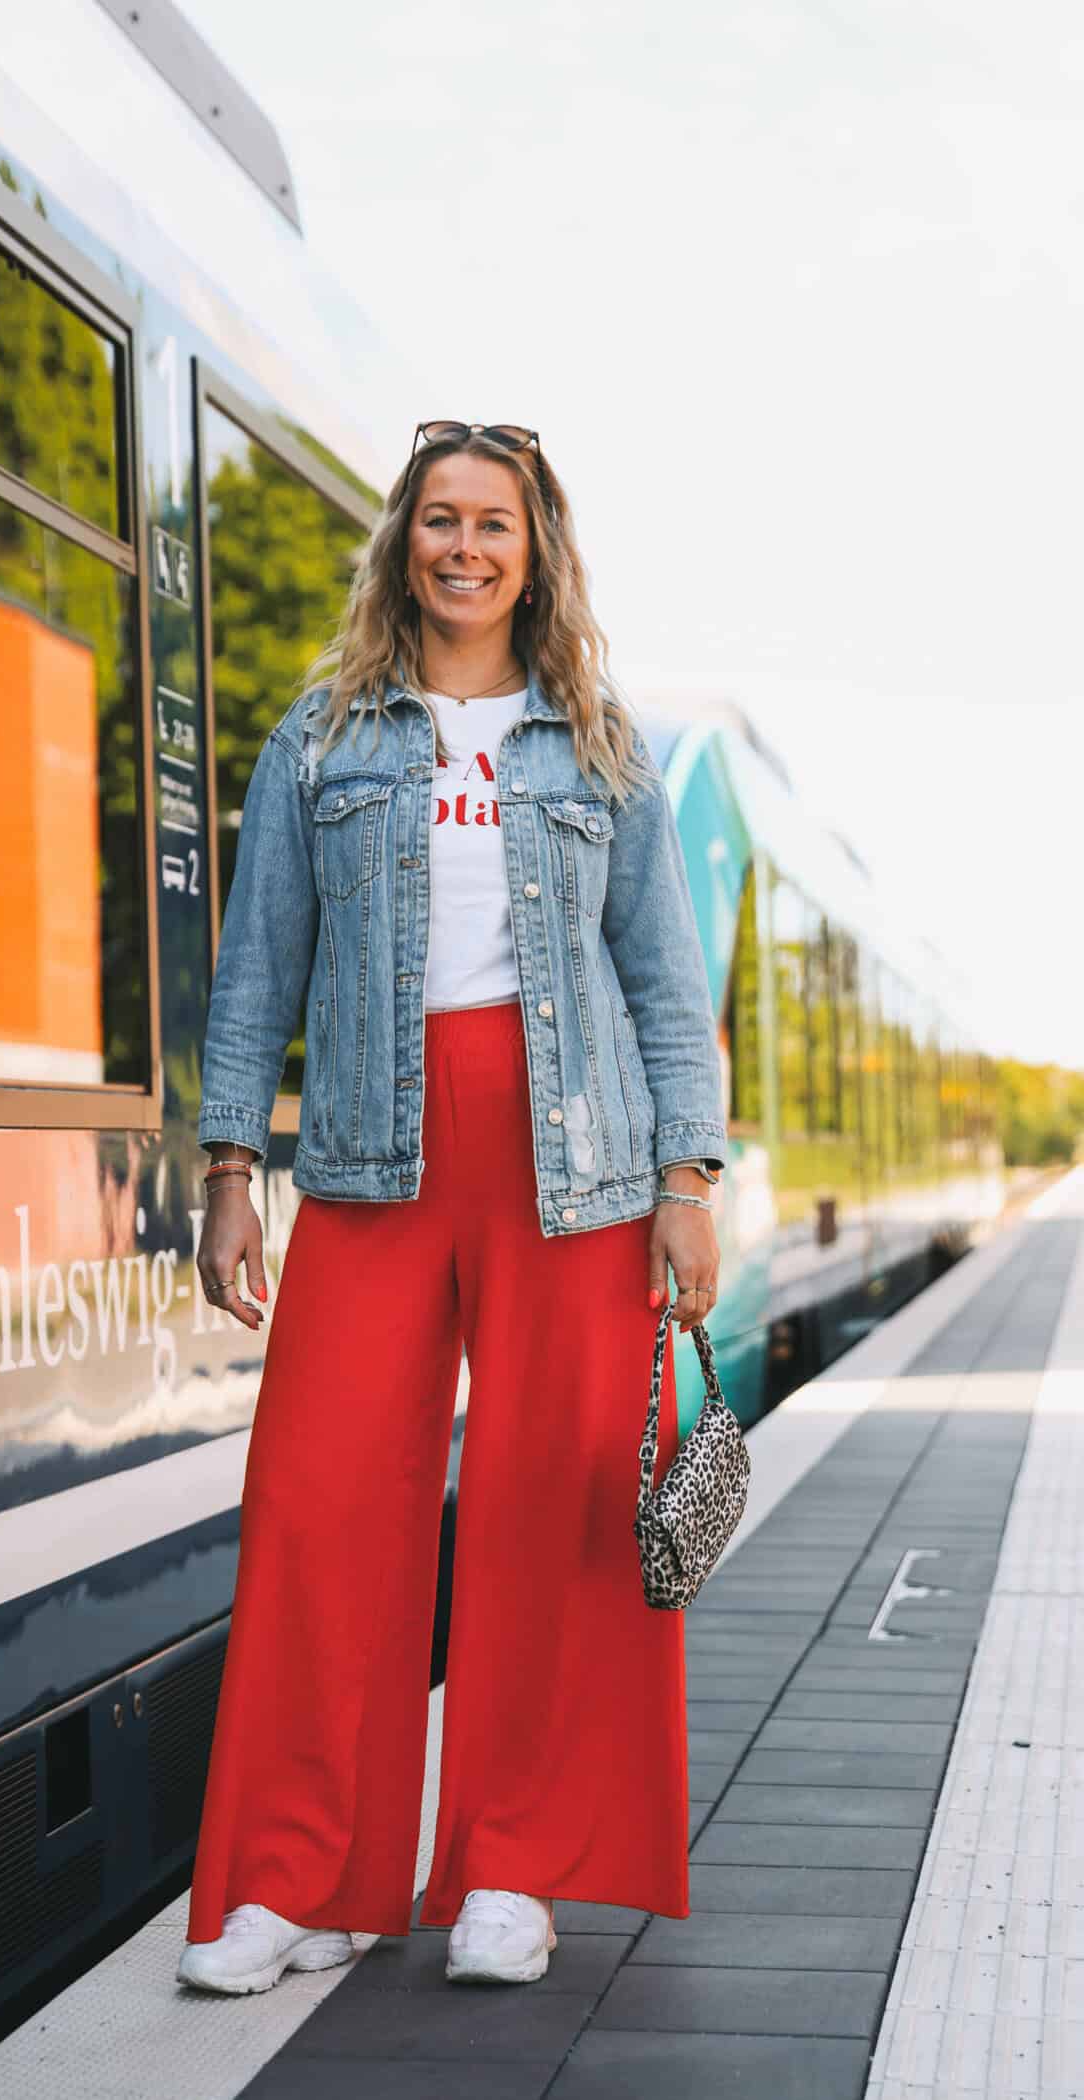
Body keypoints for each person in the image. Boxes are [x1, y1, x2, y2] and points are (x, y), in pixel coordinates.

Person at [177, 421, 725, 1996]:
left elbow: (665, 985)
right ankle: (299, 1884)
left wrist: (686, 1184)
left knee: (545, 1519)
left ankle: (511, 1865)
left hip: (577, 1172)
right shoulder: (324, 738)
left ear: (534, 553)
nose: (464, 547)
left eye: (493, 523)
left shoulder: (598, 747)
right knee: (318, 1513)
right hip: (369, 1160)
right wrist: (229, 1170)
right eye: (439, 520)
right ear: (402, 545)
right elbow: (257, 969)